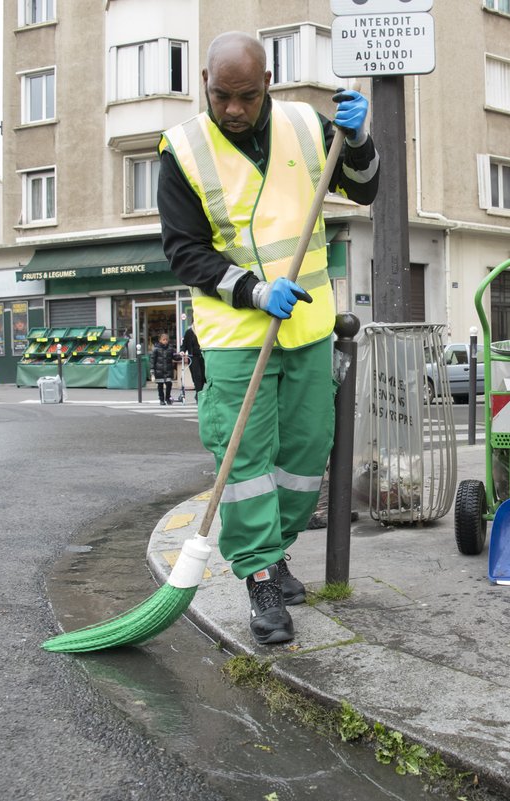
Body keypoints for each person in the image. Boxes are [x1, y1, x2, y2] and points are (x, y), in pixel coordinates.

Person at [157, 31, 380, 645]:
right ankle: (256, 574)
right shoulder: (182, 150)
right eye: (221, 95)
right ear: (204, 83)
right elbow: (185, 251)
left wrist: (358, 141)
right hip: (234, 334)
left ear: (268, 87)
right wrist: (252, 291)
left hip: (307, 327)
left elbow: (364, 188)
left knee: (306, 456)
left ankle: (275, 551)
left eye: (246, 97)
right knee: (247, 463)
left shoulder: (308, 128)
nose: (232, 109)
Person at [150, 332, 178, 405]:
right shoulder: (156, 349)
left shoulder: (171, 348)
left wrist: (180, 356)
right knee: (160, 386)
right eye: (163, 340)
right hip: (159, 370)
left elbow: (174, 356)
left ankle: (167, 397)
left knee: (169, 384)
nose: (165, 341)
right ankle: (161, 399)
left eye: (166, 340)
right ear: (160, 340)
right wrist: (152, 370)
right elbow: (152, 360)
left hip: (168, 370)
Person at [179, 326, 205, 401]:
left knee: (203, 376)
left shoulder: (203, 330)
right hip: (193, 357)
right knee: (197, 376)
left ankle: (198, 393)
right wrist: (182, 351)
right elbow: (184, 344)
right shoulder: (189, 332)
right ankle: (199, 394)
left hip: (203, 356)